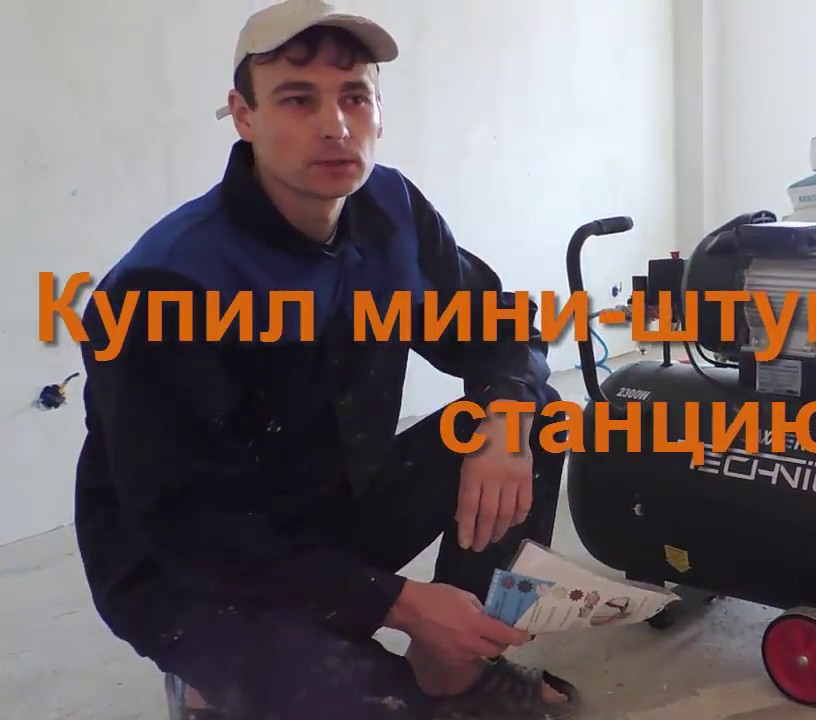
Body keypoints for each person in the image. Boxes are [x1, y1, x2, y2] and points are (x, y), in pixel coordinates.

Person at [72, 1, 581, 718]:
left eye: (354, 97)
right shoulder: (169, 284)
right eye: (297, 99)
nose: (335, 124)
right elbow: (189, 525)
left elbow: (497, 326)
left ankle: (456, 670)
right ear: (244, 117)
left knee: (535, 417)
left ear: (379, 113)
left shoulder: (391, 212)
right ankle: (208, 679)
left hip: (332, 506)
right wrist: (402, 603)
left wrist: (504, 417)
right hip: (194, 569)